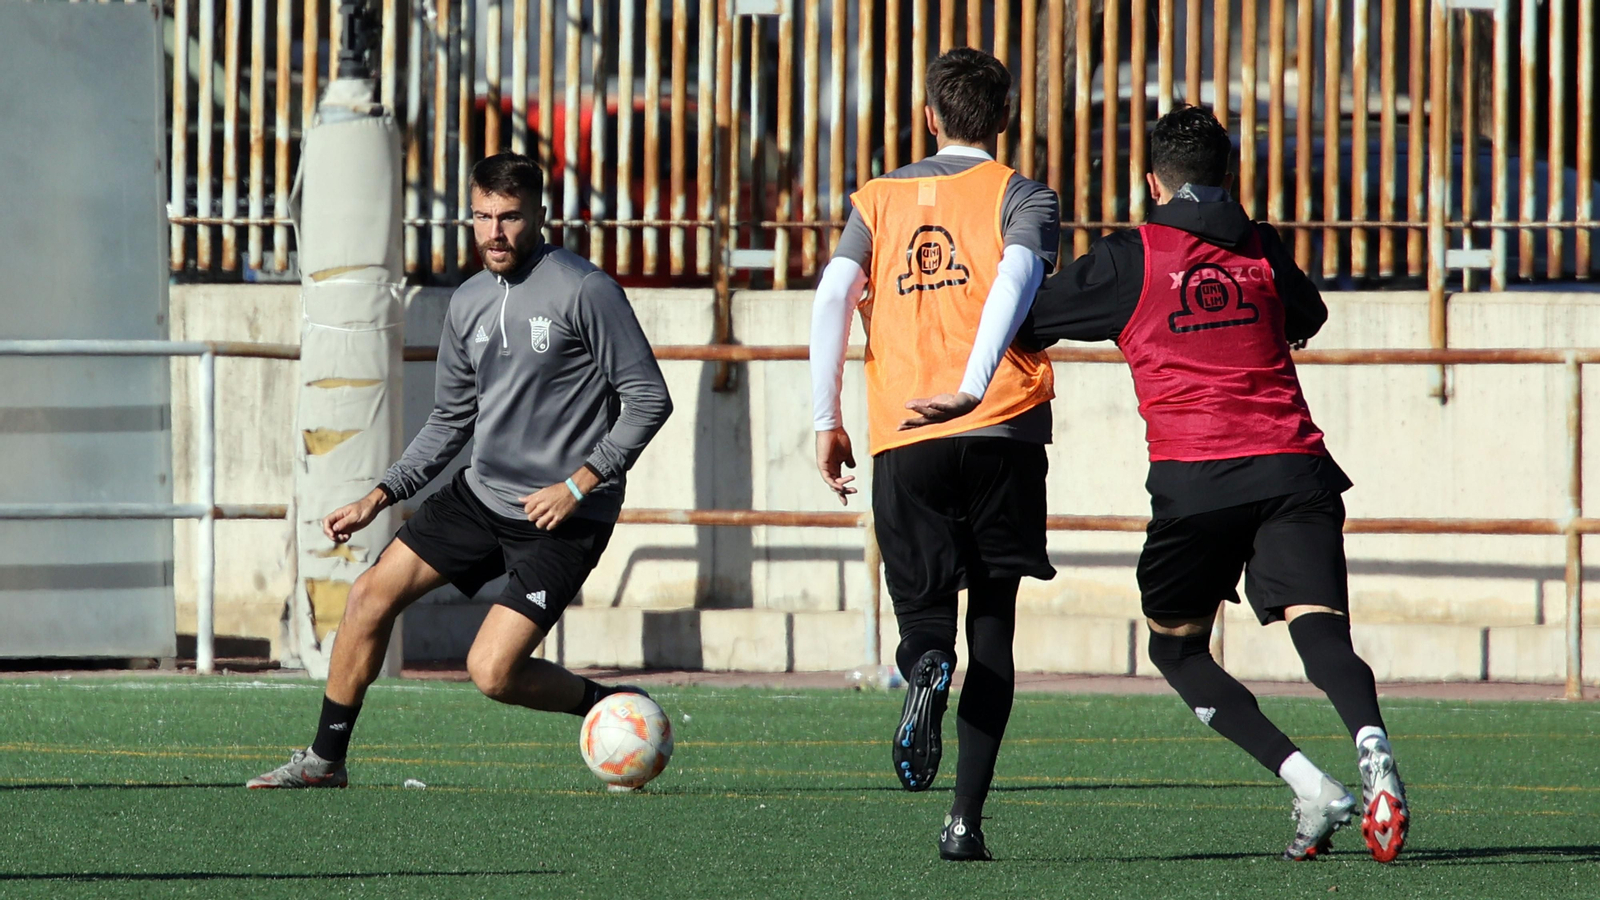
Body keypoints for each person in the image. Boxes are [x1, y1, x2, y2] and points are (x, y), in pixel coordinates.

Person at [1014, 105, 1408, 862]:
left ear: (1152, 183)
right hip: (1294, 467)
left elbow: (1030, 321)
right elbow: (1309, 313)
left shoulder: (1132, 256)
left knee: (1178, 650)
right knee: (1320, 628)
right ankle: (1371, 743)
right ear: (1228, 175)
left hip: (1196, 481)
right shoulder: (1261, 244)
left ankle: (1310, 786)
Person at [248, 152, 673, 789]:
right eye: (481, 217)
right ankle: (323, 762)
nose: (494, 233)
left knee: (493, 673)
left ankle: (612, 705)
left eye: (509, 217)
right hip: (481, 496)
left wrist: (579, 484)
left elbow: (649, 399)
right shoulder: (468, 300)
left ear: (540, 216)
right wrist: (379, 496)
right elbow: (450, 420)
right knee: (368, 597)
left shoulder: (586, 290)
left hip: (564, 516)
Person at [810, 47, 1060, 861]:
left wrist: (826, 418)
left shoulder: (878, 198)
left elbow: (833, 295)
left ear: (928, 117)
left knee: (924, 617)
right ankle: (964, 822)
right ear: (1004, 117)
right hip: (1002, 427)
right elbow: (1017, 273)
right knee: (994, 626)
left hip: (907, 430)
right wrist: (973, 384)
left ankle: (924, 664)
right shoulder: (1023, 194)